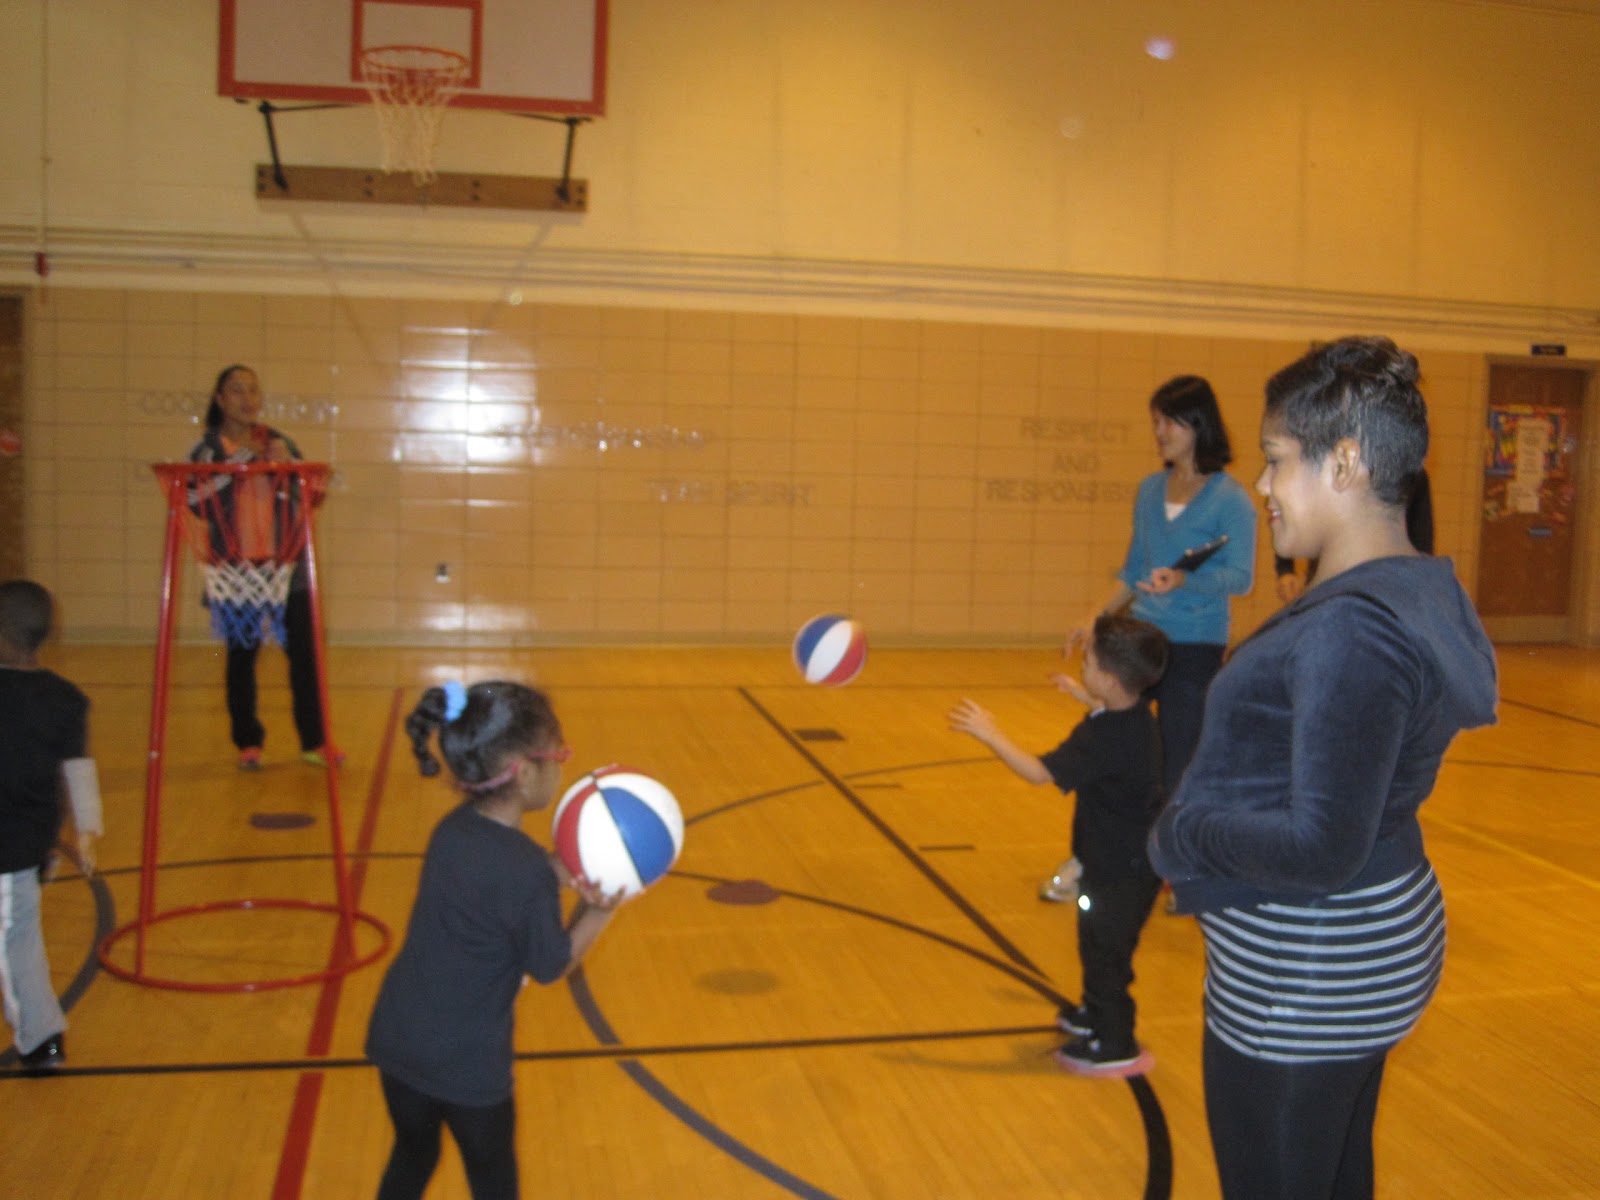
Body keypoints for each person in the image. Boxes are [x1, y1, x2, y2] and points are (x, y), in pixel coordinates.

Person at [1148, 336, 1498, 1199]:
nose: (1261, 488)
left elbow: (1323, 843)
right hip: (1357, 943)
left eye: (1275, 462)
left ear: (1343, 464)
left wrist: (1182, 833)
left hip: (1307, 970)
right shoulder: (1412, 587)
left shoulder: (1353, 628)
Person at [366, 680, 621, 1200]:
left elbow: (486, 890)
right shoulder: (523, 871)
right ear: (526, 773)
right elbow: (550, 965)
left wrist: (551, 870)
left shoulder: (452, 829)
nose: (563, 765)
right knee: (494, 1184)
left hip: (398, 1040)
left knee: (414, 1153)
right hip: (467, 1065)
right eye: (559, 754)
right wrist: (595, 913)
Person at [949, 613, 1169, 1075]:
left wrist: (990, 733)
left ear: (1109, 681)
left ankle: (1116, 1041)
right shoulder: (1130, 715)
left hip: (1123, 871)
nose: (1082, 667)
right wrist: (1081, 693)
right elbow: (1107, 708)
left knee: (1108, 953)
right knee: (1094, 942)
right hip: (1117, 862)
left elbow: (1038, 773)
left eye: (1088, 665)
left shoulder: (1103, 736)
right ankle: (1093, 1010)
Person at [189, 364, 332, 770]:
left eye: (253, 390)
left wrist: (289, 469)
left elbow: (313, 496)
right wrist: (236, 470)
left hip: (287, 569)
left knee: (305, 656)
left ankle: (315, 741)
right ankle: (248, 742)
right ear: (220, 399)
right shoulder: (207, 450)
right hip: (237, 573)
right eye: (236, 390)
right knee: (242, 657)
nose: (247, 398)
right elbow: (192, 502)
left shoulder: (279, 441)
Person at [0, 580, 103, 1072]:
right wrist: (85, 834)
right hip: (30, 846)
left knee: (14, 940)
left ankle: (41, 1037)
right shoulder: (64, 698)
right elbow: (78, 771)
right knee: (18, 935)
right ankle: (42, 1034)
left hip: (10, 851)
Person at [1275, 467, 1434, 602]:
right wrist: (1285, 568)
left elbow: (1422, 539)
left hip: (1384, 587)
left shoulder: (1411, 472)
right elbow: (1289, 506)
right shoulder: (1328, 459)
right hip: (1329, 582)